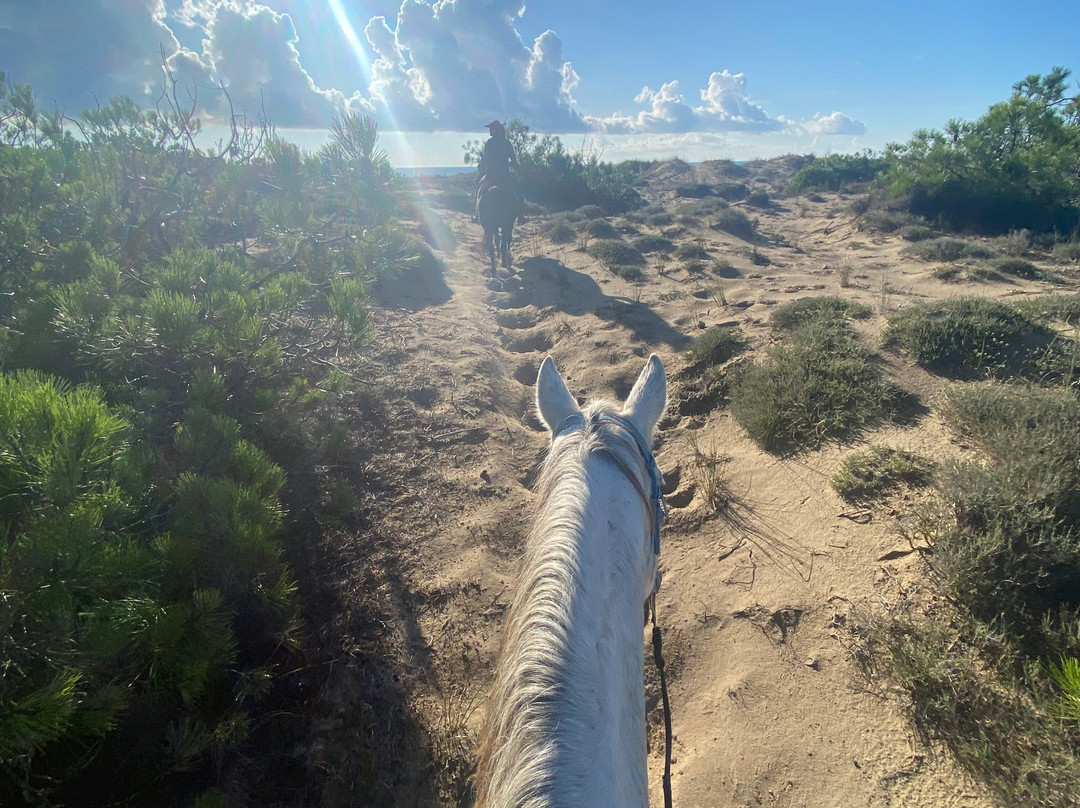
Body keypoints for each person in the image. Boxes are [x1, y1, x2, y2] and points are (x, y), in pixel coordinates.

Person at [475, 120, 521, 214]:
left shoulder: (489, 143)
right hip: (505, 175)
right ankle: (521, 214)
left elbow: (485, 161)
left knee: (478, 188)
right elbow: (514, 161)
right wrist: (506, 164)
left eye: (491, 128)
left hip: (490, 175)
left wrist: (479, 175)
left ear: (495, 130)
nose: (489, 130)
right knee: (518, 190)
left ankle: (476, 213)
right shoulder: (507, 143)